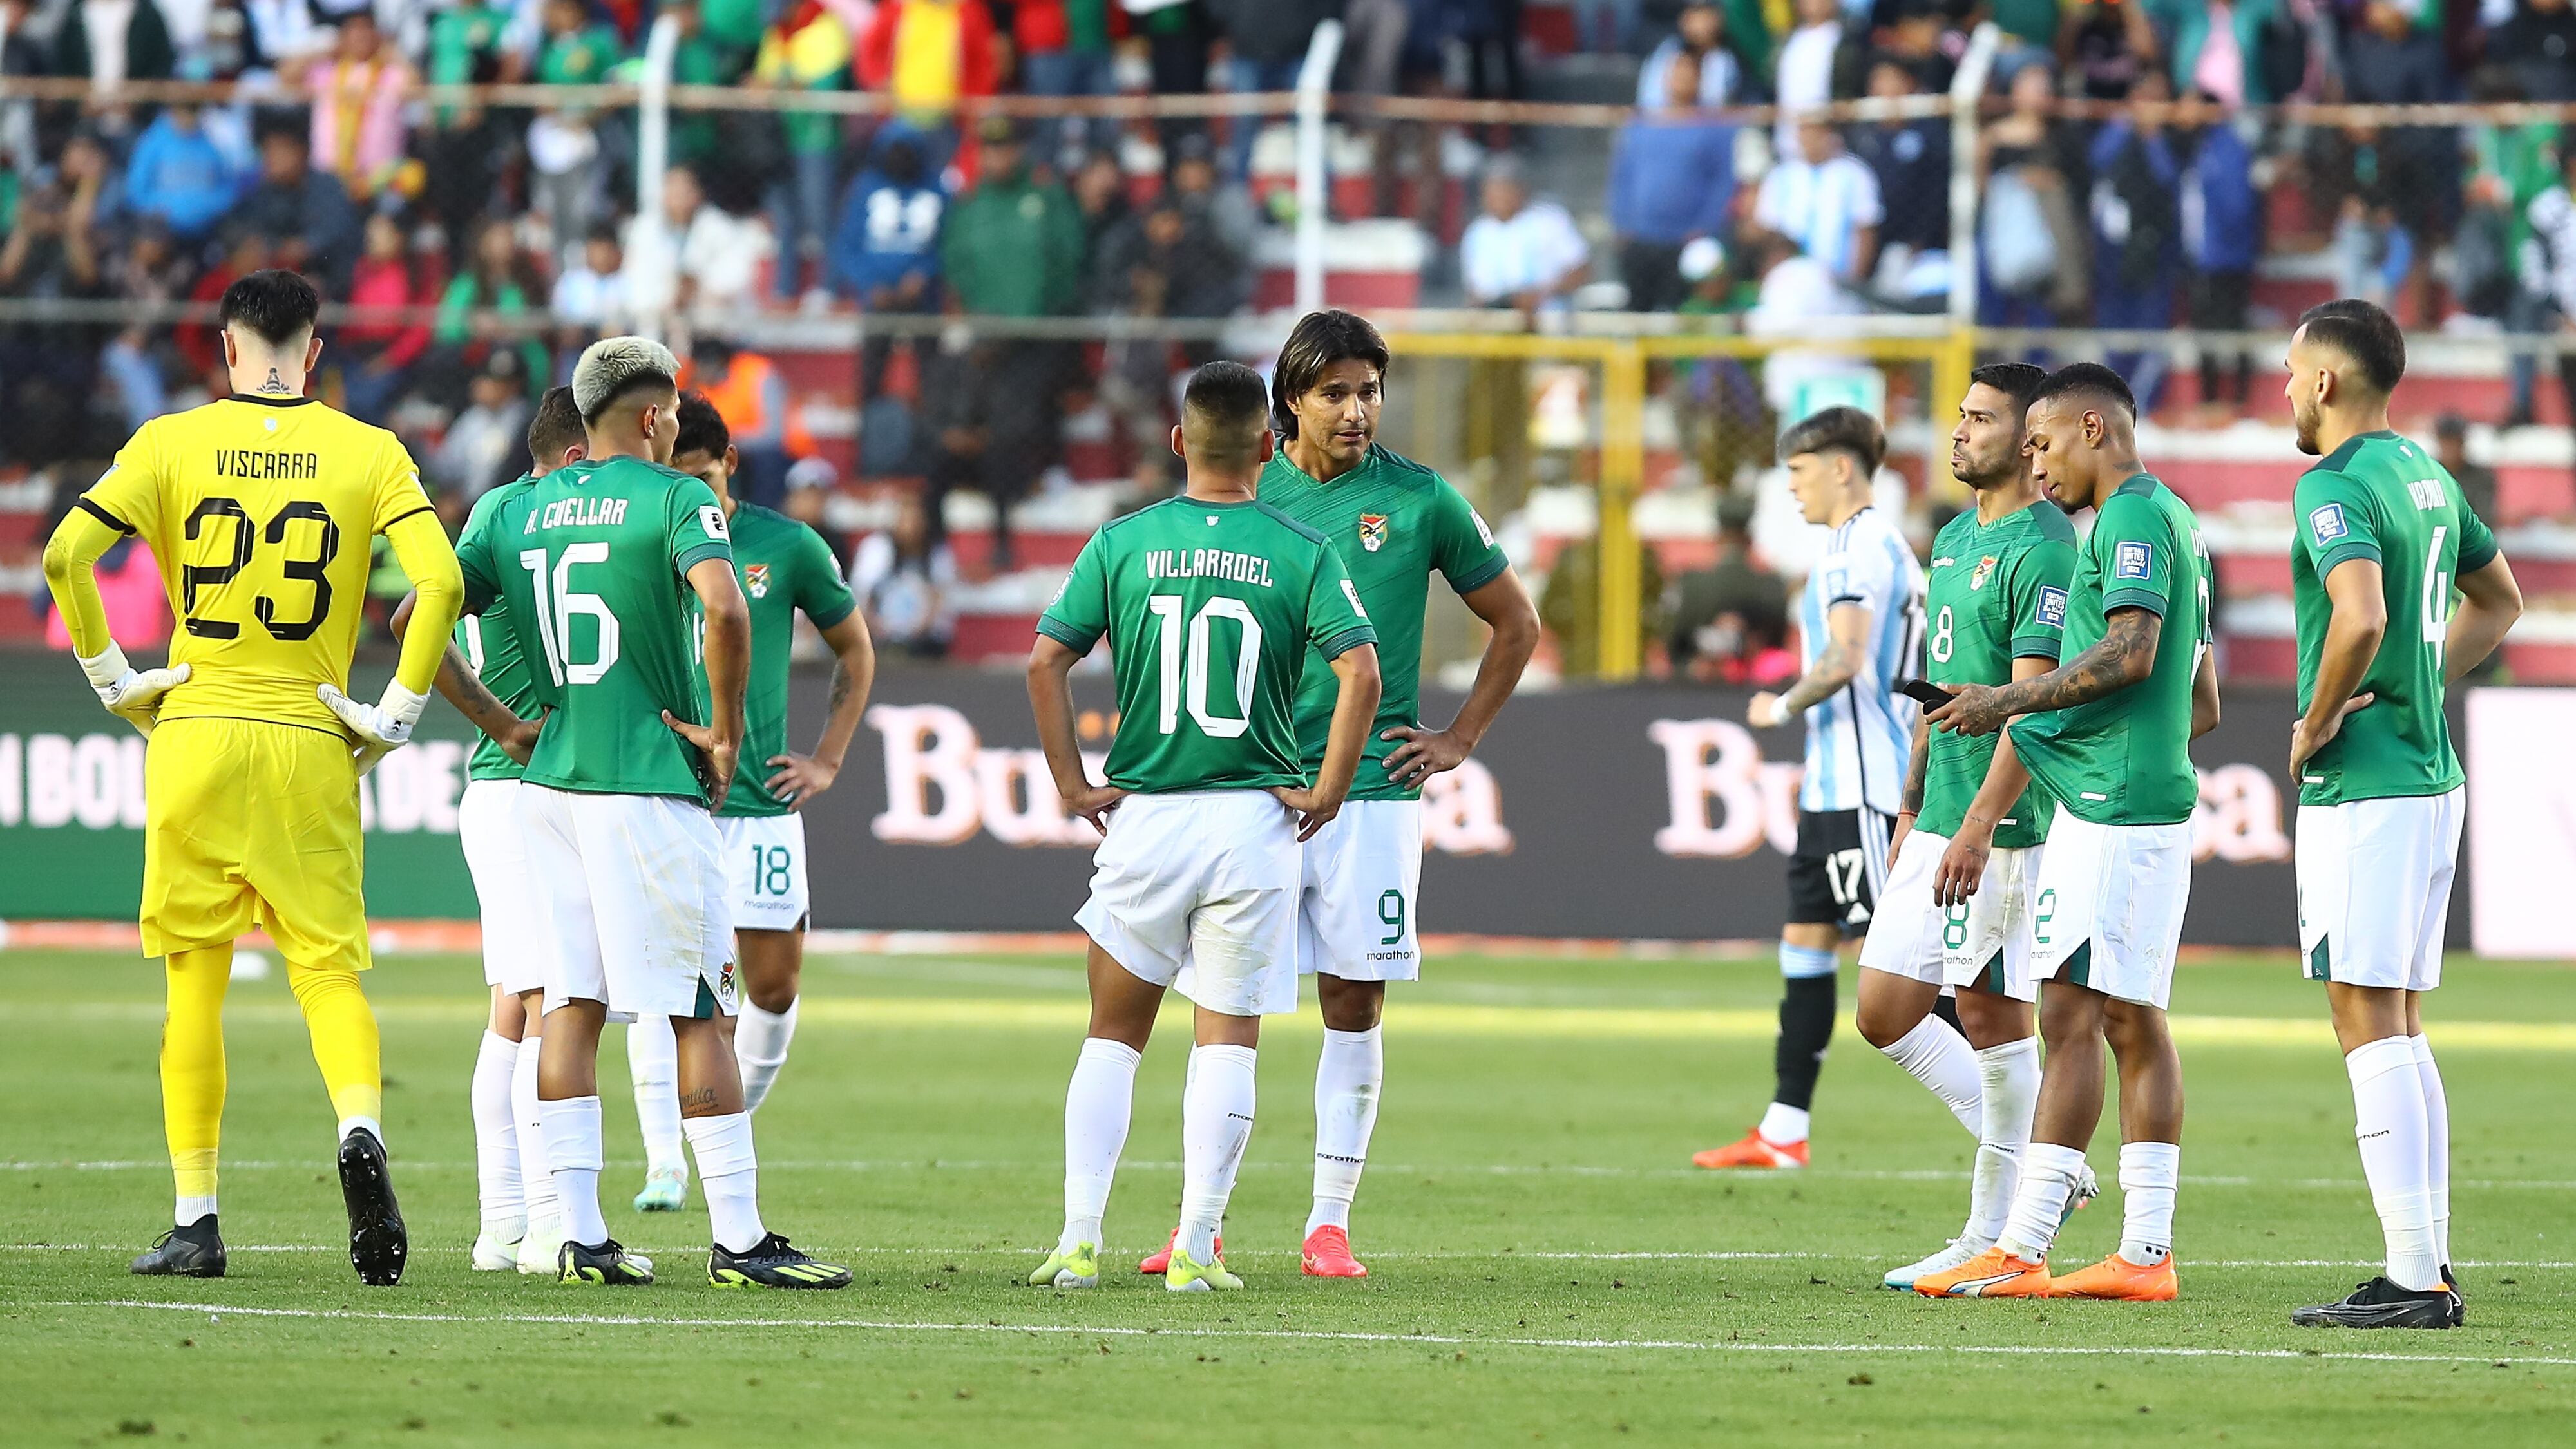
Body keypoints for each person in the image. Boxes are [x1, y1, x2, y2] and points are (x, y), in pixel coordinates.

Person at [39, 268, 467, 1284]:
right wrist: (394, 717)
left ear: (227, 348)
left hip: (194, 727)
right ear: (313, 352)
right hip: (309, 734)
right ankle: (359, 1127)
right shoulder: (371, 451)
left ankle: (196, 1220)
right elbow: (442, 581)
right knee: (326, 970)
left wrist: (115, 681)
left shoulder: (169, 441)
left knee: (195, 980)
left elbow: (64, 557)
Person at [1139, 310, 1538, 1278]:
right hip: (1258, 789)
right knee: (1228, 1005)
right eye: (1335, 393)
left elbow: (1515, 623)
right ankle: (1200, 1224)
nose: (1357, 410)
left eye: (1369, 391)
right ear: (1290, 400)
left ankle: (1328, 1223)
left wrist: (1459, 737)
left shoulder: (1419, 498)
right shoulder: (1247, 491)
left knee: (1353, 1000)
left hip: (1370, 795)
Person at [449, 335, 849, 1290]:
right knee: (702, 1010)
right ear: (657, 415)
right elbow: (727, 610)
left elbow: (412, 619)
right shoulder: (673, 498)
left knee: (570, 1004)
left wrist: (503, 724)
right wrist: (724, 734)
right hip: (646, 781)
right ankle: (739, 1239)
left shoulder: (513, 507)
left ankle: (579, 1235)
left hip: (549, 786)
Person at [1024, 361, 1384, 1293]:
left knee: (1112, 1036)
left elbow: (1044, 663)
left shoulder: (1124, 540)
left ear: (1180, 441)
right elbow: (1362, 672)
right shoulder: (1303, 548)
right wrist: (1330, 789)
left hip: (1146, 816)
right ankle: (1194, 1245)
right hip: (1251, 821)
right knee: (1226, 1038)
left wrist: (1071, 784)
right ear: (1268, 445)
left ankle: (1077, 1240)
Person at [1916, 362, 2219, 1302]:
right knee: (2127, 1018)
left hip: (2110, 807)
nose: (2036, 466)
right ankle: (2144, 1253)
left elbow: (2131, 651)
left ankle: (2024, 1244)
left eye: (2043, 443)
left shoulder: (2130, 517)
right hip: (2131, 796)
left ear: (2093, 428)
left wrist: (2010, 701)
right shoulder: (2171, 519)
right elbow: (2201, 698)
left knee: (2072, 1017)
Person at [2279, 299, 2522, 1329]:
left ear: (2324, 381)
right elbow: (2498, 602)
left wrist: (2314, 718)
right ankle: (2423, 1262)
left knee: (2362, 1014)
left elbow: (2361, 613)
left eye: (2290, 371)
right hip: (2430, 780)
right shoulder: (2425, 472)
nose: (2284, 388)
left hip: (2366, 787)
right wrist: (2417, 679)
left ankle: (2413, 1276)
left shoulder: (2331, 483)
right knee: (2400, 1020)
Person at [1853, 363, 2095, 1291]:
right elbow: (1941, 686)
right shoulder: (1955, 538)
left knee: (1994, 1018)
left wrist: (1981, 823)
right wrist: (1915, 804)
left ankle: (1991, 1230)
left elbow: (2032, 704)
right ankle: (2047, 1168)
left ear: (2029, 440)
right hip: (1941, 816)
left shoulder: (2045, 548)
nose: (1959, 431)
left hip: (2004, 824)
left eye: (1982, 419)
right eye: (1959, 415)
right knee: (1883, 1011)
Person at [625, 392, 877, 1213]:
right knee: (667, 982)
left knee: (772, 989)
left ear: (729, 464)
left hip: (761, 804)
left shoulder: (786, 545)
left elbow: (855, 648)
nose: (687, 494)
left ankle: (726, 1126)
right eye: (673, 479)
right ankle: (665, 1161)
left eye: (700, 477)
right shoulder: (645, 535)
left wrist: (829, 758)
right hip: (669, 794)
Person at [1694, 406, 1923, 1171]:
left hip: (1866, 790)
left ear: (1841, 468)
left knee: (1908, 979)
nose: (1790, 488)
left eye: (1797, 472)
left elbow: (1846, 658)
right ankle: (1784, 1129)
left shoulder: (1855, 549)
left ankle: (2036, 1142)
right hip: (1833, 790)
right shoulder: (1879, 545)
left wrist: (1782, 704)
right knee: (1806, 949)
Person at [388, 386, 583, 1274]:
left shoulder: (498, 509)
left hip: (505, 792)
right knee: (550, 1001)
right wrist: (503, 722)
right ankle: (546, 1225)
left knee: (514, 1001)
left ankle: (503, 1224)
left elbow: (415, 615)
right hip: (526, 786)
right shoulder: (549, 516)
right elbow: (410, 621)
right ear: (579, 453)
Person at [1609, 50, 1737, 313]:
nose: (1681, 79)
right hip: (1640, 238)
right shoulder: (1641, 124)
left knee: (1679, 314)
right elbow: (1623, 176)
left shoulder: (1714, 128)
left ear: (1700, 79)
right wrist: (1622, 223)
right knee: (1637, 313)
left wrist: (1705, 227)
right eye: (1676, 73)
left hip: (1685, 240)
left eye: (1688, 74)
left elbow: (1723, 183)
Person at [1755, 113, 1884, 287]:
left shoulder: (1855, 173)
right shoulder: (1780, 175)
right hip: (1789, 277)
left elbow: (1865, 232)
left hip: (1839, 280)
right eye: (1804, 131)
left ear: (1830, 134)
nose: (1810, 139)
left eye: (1816, 132)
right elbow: (1768, 231)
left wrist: (1856, 282)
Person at [1458, 156, 1591, 315]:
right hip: (1494, 321)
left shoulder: (1549, 221)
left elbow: (1581, 270)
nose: (1499, 198)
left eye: (1505, 190)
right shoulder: (1477, 232)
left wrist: (1542, 294)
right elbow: (1474, 287)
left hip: (1546, 317)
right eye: (1493, 191)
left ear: (1522, 190)